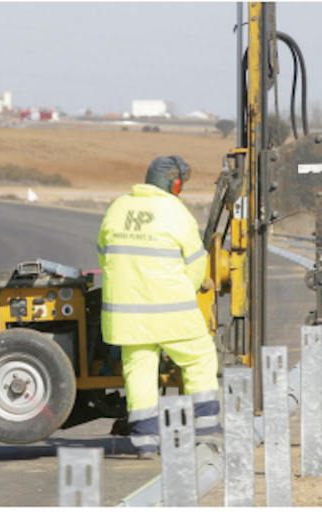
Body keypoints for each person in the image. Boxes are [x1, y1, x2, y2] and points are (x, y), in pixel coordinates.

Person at [96, 155, 220, 459]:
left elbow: (104, 256)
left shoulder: (118, 208)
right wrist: (187, 290)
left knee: (138, 372)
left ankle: (145, 443)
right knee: (200, 359)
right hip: (171, 312)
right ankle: (205, 433)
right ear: (174, 183)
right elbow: (196, 264)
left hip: (126, 317)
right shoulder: (175, 212)